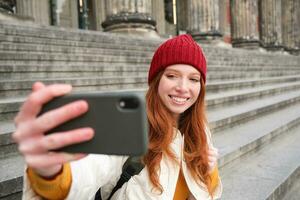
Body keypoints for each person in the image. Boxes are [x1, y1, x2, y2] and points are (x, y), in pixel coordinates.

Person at [13, 34, 222, 200]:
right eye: (172, 75)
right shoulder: (130, 126)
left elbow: (207, 192)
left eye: (194, 79)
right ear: (156, 80)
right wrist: (51, 173)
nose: (183, 88)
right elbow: (90, 170)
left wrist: (210, 172)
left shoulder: (199, 130)